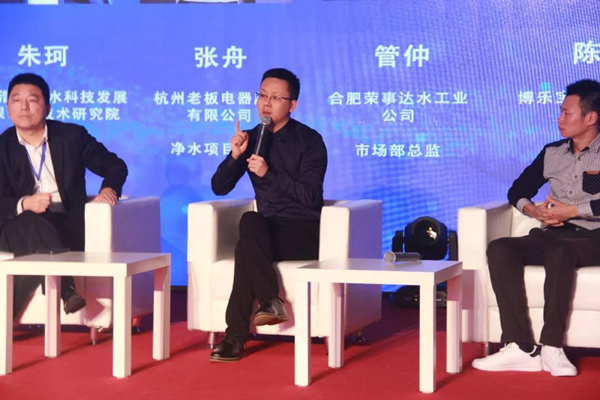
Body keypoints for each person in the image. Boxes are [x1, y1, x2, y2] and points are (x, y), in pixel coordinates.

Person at [472, 79, 600, 377]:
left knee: (559, 250)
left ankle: (552, 347)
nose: (559, 119)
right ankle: (521, 347)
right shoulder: (552, 153)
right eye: (560, 112)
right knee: (501, 248)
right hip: (554, 234)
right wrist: (534, 210)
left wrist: (573, 210)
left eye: (567, 113)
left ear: (591, 117)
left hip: (593, 237)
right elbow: (517, 190)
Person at [209, 68, 327, 362]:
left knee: (245, 245)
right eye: (262, 95)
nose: (266, 103)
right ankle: (269, 301)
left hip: (303, 231)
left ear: (292, 104)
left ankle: (236, 336)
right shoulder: (251, 138)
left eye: (275, 97)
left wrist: (269, 175)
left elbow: (312, 198)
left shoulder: (309, 141)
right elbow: (219, 187)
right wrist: (235, 156)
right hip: (266, 230)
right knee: (250, 223)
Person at [0, 73, 128, 320]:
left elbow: (115, 166)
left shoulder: (72, 137)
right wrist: (25, 203)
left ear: (47, 107)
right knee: (30, 221)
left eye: (32, 100)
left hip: (66, 225)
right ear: (7, 107)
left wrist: (108, 189)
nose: (24, 107)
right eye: (16, 100)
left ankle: (4, 321)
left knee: (34, 245)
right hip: (16, 228)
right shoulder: (2, 147)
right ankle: (67, 289)